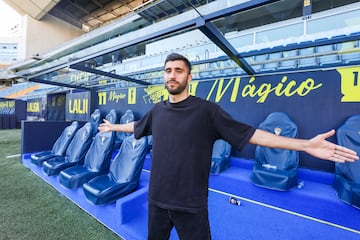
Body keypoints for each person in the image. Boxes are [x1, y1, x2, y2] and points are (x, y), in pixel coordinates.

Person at [98, 53, 358, 240]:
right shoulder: (157, 111)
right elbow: (138, 127)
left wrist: (305, 145)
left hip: (191, 205)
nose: (172, 75)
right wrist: (113, 128)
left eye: (178, 70)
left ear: (189, 76)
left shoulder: (207, 111)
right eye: (168, 70)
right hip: (156, 201)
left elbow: (253, 135)